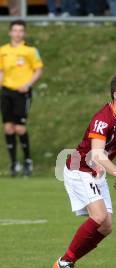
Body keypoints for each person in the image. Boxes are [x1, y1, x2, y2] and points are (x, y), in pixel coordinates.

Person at [50, 75, 116, 268]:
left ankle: (65, 263)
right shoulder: (103, 119)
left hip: (96, 172)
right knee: (99, 216)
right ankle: (64, 263)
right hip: (80, 169)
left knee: (106, 226)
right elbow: (98, 155)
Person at [0, 20, 43, 177]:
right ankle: (13, 164)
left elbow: (38, 70)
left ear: (24, 33)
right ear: (10, 32)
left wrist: (28, 84)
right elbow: (2, 71)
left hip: (22, 93)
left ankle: (27, 162)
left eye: (20, 31)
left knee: (20, 128)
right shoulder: (3, 50)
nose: (17, 33)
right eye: (15, 30)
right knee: (8, 127)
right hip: (6, 91)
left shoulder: (30, 51)